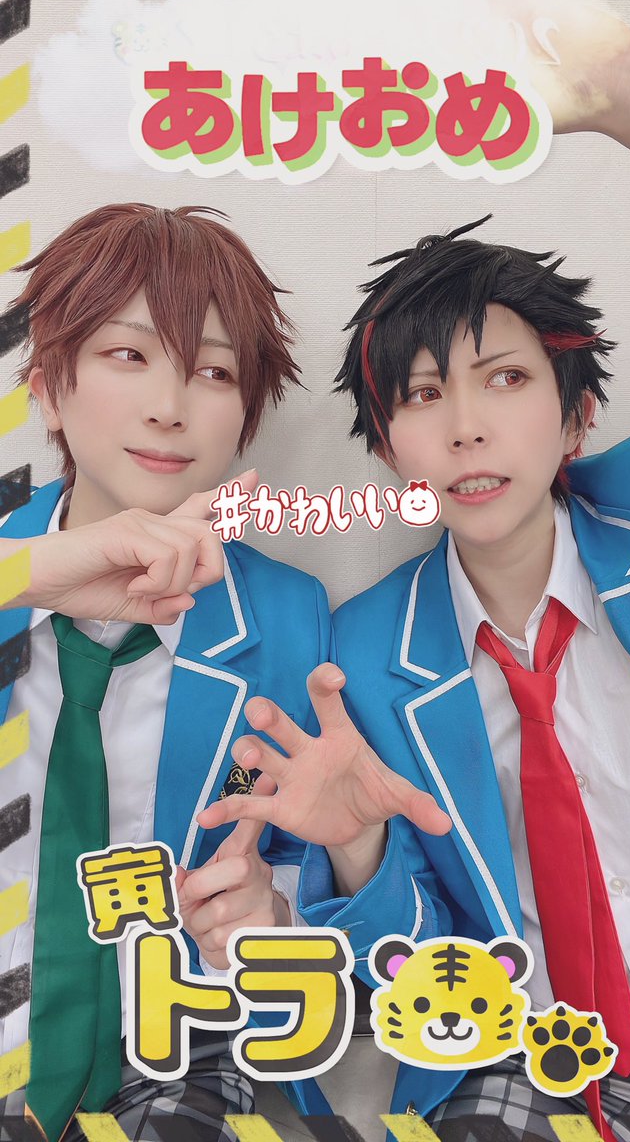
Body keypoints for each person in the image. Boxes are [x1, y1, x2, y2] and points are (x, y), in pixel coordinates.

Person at [201, 216, 630, 1141]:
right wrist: (360, 848)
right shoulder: (362, 657)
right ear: (388, 450)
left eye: (506, 378)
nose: (466, 429)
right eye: (422, 395)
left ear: (576, 416)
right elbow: (415, 961)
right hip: (521, 1053)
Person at [0, 201, 336, 1142]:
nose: (169, 404)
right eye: (128, 353)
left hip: (171, 1054)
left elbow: (308, 858)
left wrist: (275, 917)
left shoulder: (285, 617)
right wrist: (25, 576)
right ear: (47, 387)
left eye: (213, 371)